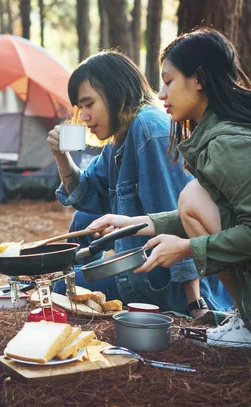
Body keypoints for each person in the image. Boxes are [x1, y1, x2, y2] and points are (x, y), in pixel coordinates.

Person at [89, 29, 251, 347]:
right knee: (193, 199)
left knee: (191, 196)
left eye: (169, 81)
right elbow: (216, 214)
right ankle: (245, 318)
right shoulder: (214, 136)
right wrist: (133, 225)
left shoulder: (227, 144)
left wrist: (186, 248)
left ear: (199, 79)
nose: (161, 94)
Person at [47, 51, 231, 317]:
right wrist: (61, 157)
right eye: (80, 108)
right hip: (144, 267)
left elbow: (179, 218)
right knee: (83, 219)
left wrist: (195, 305)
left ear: (116, 93)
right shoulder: (120, 138)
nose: (84, 117)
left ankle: (66, 281)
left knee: (54, 289)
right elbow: (87, 194)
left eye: (89, 104)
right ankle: (69, 276)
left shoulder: (148, 130)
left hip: (165, 283)